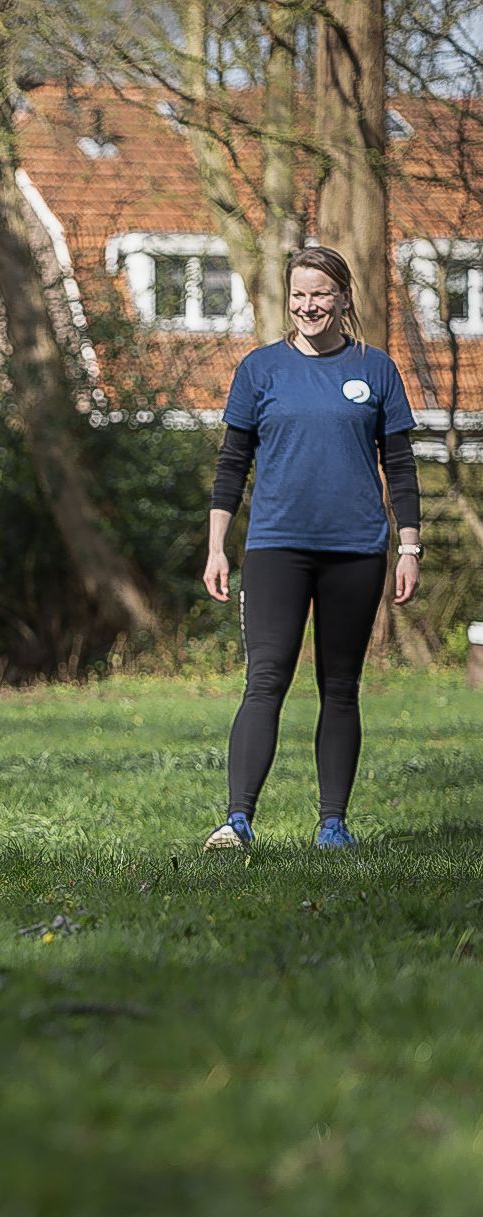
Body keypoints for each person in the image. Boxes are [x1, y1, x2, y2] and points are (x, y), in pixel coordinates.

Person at [202, 246, 421, 852]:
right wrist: (217, 547)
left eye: (321, 294)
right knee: (265, 678)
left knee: (341, 684)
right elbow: (231, 464)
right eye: (299, 295)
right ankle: (237, 821)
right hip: (276, 548)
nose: (308, 306)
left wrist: (409, 547)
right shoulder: (260, 370)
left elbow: (399, 466)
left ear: (344, 298)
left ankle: (332, 825)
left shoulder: (376, 370)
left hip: (355, 550)